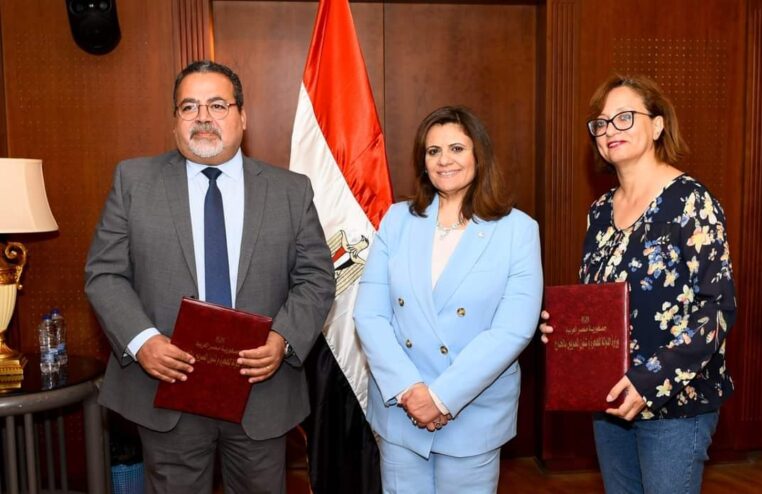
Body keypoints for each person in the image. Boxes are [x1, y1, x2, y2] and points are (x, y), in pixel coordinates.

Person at [85, 60, 335, 494]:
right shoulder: (133, 181)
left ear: (243, 117)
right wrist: (143, 342)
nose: (203, 117)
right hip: (167, 388)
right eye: (189, 107)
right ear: (175, 121)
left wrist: (283, 339)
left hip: (260, 390)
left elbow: (316, 277)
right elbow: (104, 274)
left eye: (217, 105)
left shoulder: (291, 190)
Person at [540, 74, 737, 494]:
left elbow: (716, 311)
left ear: (658, 125)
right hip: (610, 399)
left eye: (625, 117)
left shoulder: (690, 202)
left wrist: (648, 382)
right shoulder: (599, 212)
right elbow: (595, 305)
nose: (611, 129)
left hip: (676, 405)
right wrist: (563, 330)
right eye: (602, 123)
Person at [353, 106, 543, 493]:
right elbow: (369, 315)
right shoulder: (396, 220)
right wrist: (410, 390)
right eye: (433, 151)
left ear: (479, 155)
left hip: (473, 410)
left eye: (456, 148)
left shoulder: (517, 230)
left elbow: (513, 330)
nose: (444, 160)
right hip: (402, 408)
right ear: (422, 162)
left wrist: (441, 397)